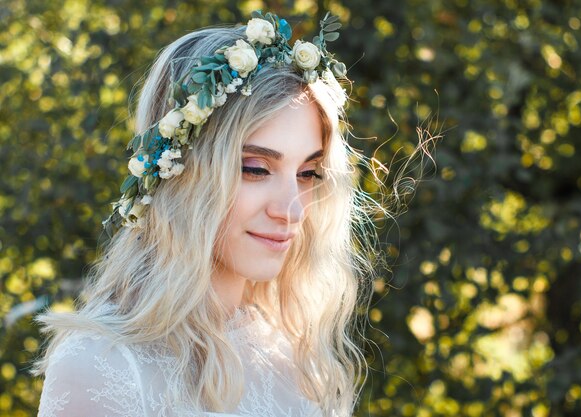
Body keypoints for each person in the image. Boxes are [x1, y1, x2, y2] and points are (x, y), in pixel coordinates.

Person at [33, 11, 403, 417]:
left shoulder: (292, 356)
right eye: (256, 169)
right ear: (182, 173)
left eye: (307, 173)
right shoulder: (104, 367)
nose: (291, 210)